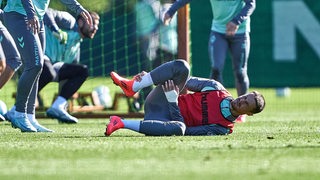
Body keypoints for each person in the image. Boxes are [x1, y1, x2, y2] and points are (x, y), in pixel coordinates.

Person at [105, 59, 265, 136]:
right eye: (245, 97)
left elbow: (187, 131)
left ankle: (120, 123)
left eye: (246, 104)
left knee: (179, 130)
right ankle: (134, 86)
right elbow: (180, 78)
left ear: (248, 113)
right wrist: (150, 78)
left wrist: (173, 102)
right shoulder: (216, 88)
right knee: (183, 67)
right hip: (158, 104)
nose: (241, 100)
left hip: (163, 123)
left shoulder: (223, 128)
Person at [2, 0, 93, 132]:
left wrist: (79, 9)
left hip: (37, 18)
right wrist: (31, 13)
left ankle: (30, 116)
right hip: (19, 15)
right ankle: (18, 112)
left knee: (38, 68)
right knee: (34, 65)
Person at [163, 0, 256, 122]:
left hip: (240, 32)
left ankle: (240, 113)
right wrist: (171, 10)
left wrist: (236, 20)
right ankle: (217, 104)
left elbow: (251, 4)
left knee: (240, 71)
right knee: (216, 68)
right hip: (218, 31)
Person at [37, 8, 99, 124]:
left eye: (97, 25)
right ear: (81, 22)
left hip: (51, 67)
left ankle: (58, 107)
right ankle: (18, 108)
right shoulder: (69, 21)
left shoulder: (76, 46)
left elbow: (65, 81)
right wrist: (55, 29)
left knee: (82, 71)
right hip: (36, 56)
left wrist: (63, 107)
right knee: (49, 73)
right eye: (93, 24)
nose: (95, 28)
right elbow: (47, 12)